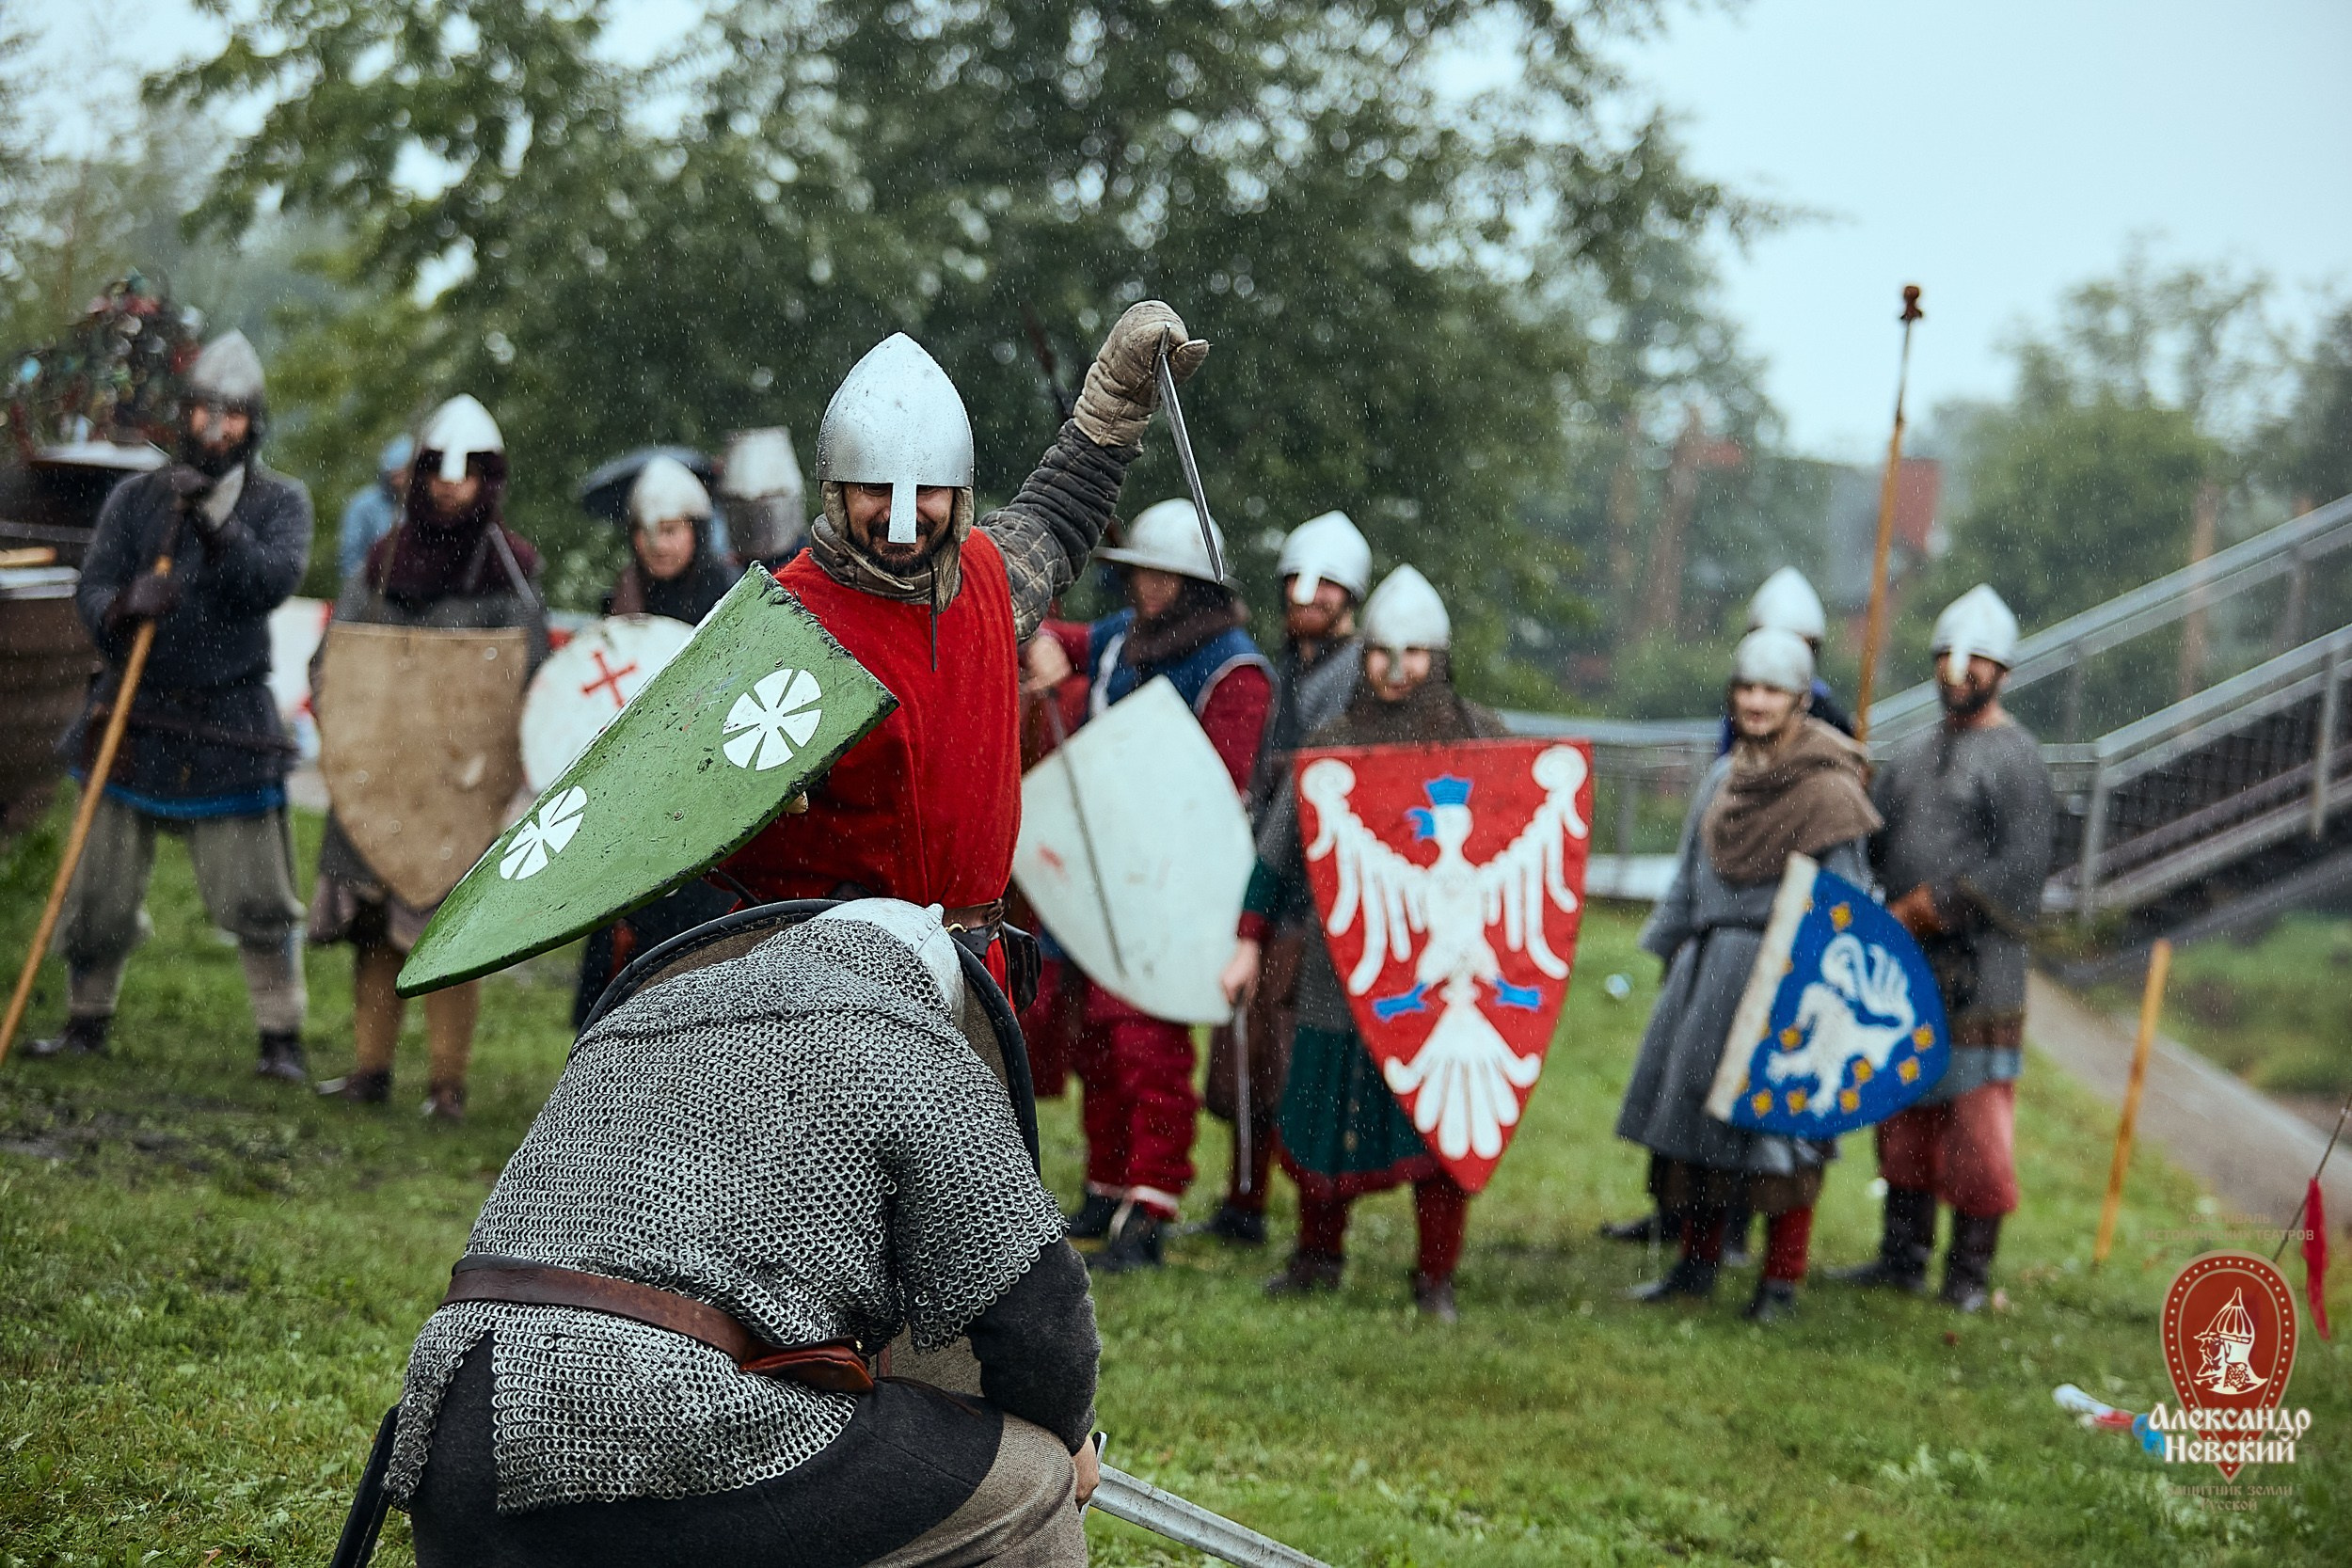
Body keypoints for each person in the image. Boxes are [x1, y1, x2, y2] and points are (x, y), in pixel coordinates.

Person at [382, 900, 1101, 1567]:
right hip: (669, 1436)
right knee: (1029, 1483)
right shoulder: (912, 1038)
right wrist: (1068, 1437)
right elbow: (1038, 1315)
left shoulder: (639, 1014)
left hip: (455, 1443)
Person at [718, 303, 1207, 994]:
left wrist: (1118, 396)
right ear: (835, 488)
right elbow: (697, 795)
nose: (902, 512)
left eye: (927, 490)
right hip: (819, 981)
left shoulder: (986, 582)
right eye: (876, 488)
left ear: (960, 493)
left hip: (973, 980)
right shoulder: (780, 621)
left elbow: (1058, 515)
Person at [1219, 565, 1500, 1323]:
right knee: (1317, 1106)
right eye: (1381, 651)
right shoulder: (1333, 740)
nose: (1396, 668)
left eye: (1412, 653)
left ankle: (1434, 1275)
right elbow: (1277, 855)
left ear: (1438, 658)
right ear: (1364, 653)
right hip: (1342, 960)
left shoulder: (1480, 741)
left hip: (1440, 970)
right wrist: (1249, 940)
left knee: (1436, 1122)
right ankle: (1317, 1256)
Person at [34, 331, 314, 1079]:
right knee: (96, 890)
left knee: (259, 896)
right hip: (136, 709)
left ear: (253, 425)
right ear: (184, 416)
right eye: (203, 414)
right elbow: (91, 589)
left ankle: (279, 1036)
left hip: (230, 718)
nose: (214, 430)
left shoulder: (281, 502)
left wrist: (212, 527)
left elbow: (269, 582)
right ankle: (85, 1019)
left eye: (231, 417)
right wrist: (126, 602)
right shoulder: (136, 500)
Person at [1022, 499, 1272, 1272]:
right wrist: (1028, 626)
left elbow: (1218, 792)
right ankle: (1107, 1184)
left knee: (1147, 1048)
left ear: (1196, 582)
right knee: (1096, 1042)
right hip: (1103, 880)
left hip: (1171, 887)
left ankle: (1150, 1206)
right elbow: (1045, 637)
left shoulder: (1233, 669)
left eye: (1165, 575)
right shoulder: (1119, 642)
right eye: (1141, 573)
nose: (1149, 587)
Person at [1613, 628, 1883, 1323]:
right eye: (1747, 688)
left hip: (1787, 969)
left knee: (1784, 1132)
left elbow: (1847, 901)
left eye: (1771, 691)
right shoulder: (1722, 775)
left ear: (1800, 699)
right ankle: (1695, 1266)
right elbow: (1687, 873)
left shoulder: (1830, 789)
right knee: (1702, 1122)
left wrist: (1816, 980)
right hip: (1710, 966)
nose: (1756, 702)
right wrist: (1673, 948)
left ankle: (1780, 1282)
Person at [310, 394, 548, 1120]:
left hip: (462, 783)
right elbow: (337, 661)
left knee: (451, 936)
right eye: (440, 471)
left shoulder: (511, 574)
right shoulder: (384, 562)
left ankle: (446, 1086)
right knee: (375, 931)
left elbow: (527, 679)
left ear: (489, 479)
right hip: (380, 770)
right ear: (417, 476)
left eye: (469, 472)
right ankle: (370, 1070)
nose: (451, 485)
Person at [1830, 585, 2054, 1312]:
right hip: (1905, 967)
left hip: (1977, 975)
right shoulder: (1911, 752)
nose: (1960, 675)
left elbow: (2021, 868)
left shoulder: (2016, 758)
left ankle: (1966, 1274)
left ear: (2002, 671)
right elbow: (1875, 841)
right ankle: (1901, 1257)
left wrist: (1936, 905)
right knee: (1904, 1111)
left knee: (1976, 1127)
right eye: (1950, 662)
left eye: (1976, 663)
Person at [1199, 507, 1371, 1246]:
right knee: (1251, 1048)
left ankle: (1299, 1218)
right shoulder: (1285, 670)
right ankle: (1245, 1200)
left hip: (1323, 896)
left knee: (1295, 1062)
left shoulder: (1358, 675)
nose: (1308, 594)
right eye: (1297, 584)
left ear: (1350, 595)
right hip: (1273, 881)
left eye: (1326, 585)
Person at [603, 452, 737, 624]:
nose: (659, 546)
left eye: (670, 531)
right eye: (646, 532)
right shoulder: (628, 589)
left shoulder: (727, 588)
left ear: (695, 532)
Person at [717, 425, 809, 570]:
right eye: (740, 500)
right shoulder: (726, 573)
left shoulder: (806, 566)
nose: (755, 518)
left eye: (766, 498)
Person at [338, 434, 415, 585]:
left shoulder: (425, 507)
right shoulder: (363, 506)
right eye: (395, 476)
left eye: (405, 474)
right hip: (371, 587)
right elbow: (351, 556)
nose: (401, 481)